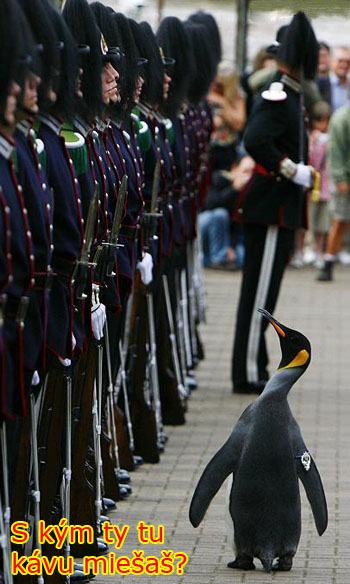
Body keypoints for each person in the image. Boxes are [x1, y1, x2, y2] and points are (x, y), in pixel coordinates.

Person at [231, 12, 319, 394]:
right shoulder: (279, 94)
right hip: (270, 208)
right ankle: (247, 368)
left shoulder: (292, 94)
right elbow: (255, 140)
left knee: (265, 291)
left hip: (278, 209)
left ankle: (256, 360)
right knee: (259, 294)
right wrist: (289, 170)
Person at [198, 155, 253, 269]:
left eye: (251, 173)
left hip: (228, 237)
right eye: (245, 171)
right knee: (220, 214)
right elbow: (210, 204)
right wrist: (233, 189)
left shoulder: (249, 191)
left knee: (241, 258)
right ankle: (218, 258)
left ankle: (211, 259)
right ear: (235, 169)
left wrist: (231, 246)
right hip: (207, 226)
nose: (248, 176)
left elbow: (238, 223)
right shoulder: (219, 178)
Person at [317, 103, 350, 281]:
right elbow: (336, 150)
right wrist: (339, 178)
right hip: (343, 177)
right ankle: (327, 263)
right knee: (340, 221)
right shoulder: (341, 118)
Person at [306, 101, 331, 267]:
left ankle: (320, 251)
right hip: (312, 185)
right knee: (310, 221)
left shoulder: (330, 139)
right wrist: (314, 144)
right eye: (319, 121)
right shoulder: (310, 138)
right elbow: (312, 162)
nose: (323, 125)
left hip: (326, 187)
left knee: (323, 223)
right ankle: (307, 249)